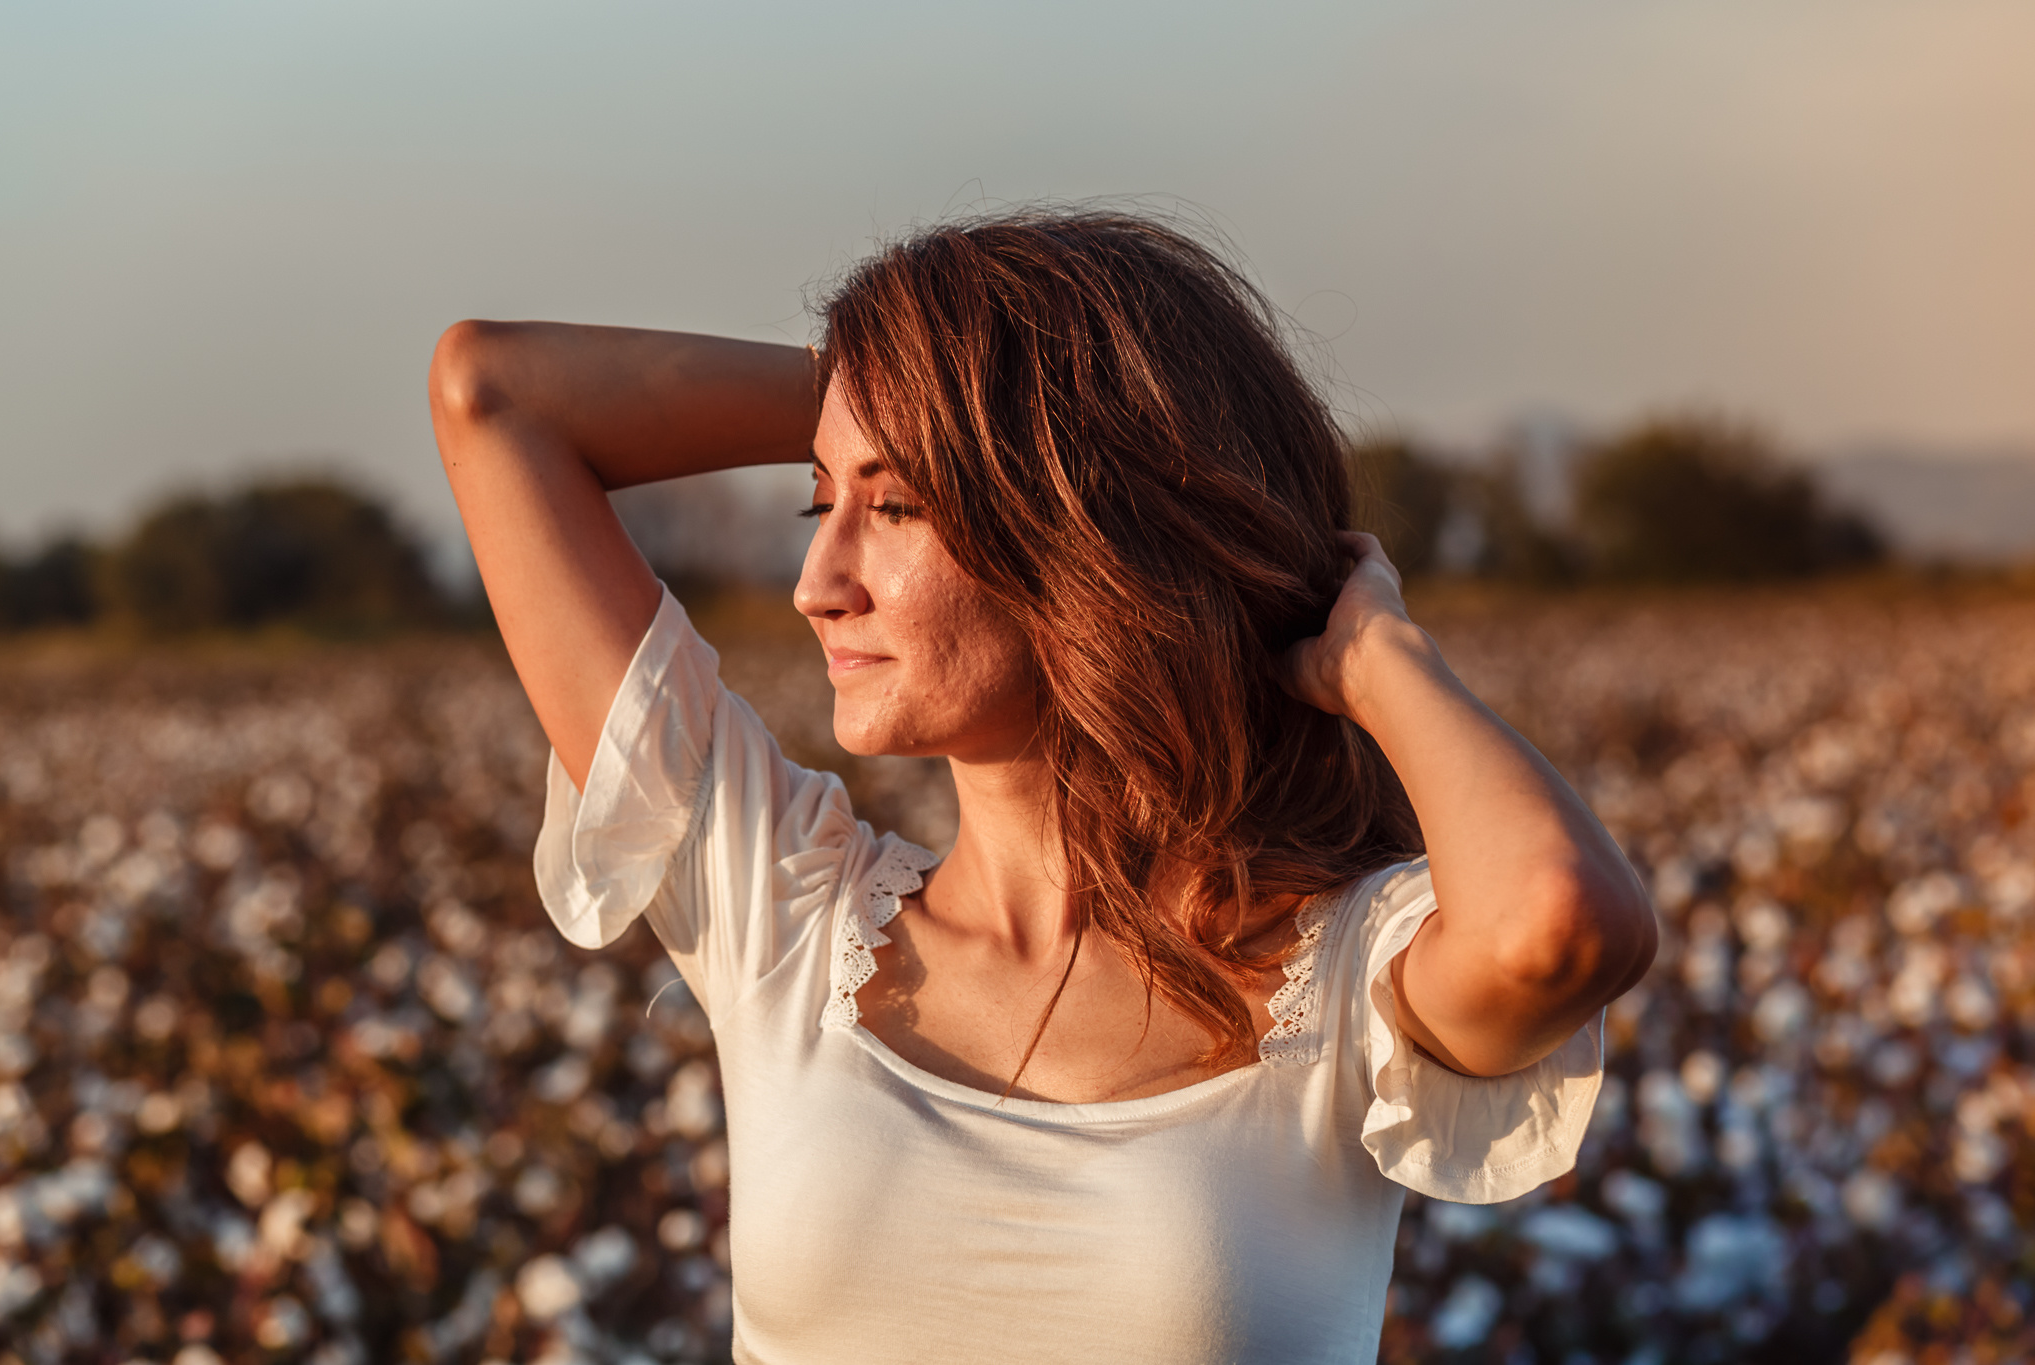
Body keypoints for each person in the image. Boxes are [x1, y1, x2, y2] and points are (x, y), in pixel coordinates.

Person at [429, 209, 1656, 1364]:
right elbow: (493, 394)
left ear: (1086, 534)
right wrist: (918, 378)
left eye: (895, 502)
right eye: (821, 496)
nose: (818, 579)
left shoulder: (1342, 984)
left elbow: (1556, 927)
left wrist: (1381, 663)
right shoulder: (783, 917)